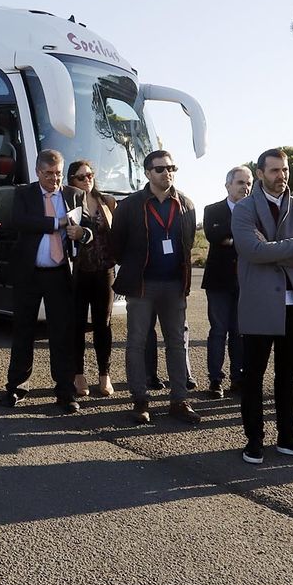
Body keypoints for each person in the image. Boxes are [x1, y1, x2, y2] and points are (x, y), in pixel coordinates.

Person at [233, 148, 293, 464]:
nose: (281, 176)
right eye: (274, 170)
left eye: (284, 170)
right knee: (254, 376)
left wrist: (272, 248)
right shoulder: (244, 210)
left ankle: (288, 438)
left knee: (289, 376)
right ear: (259, 173)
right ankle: (254, 440)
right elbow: (251, 250)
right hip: (260, 303)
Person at [110, 150, 201, 425]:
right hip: (142, 286)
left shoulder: (186, 203)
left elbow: (188, 243)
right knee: (137, 343)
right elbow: (117, 245)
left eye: (171, 167)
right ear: (148, 172)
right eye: (160, 169)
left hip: (174, 285)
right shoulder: (130, 205)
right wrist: (136, 265)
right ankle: (140, 401)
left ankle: (179, 400)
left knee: (176, 343)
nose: (167, 173)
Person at [1, 148, 93, 414]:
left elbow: (88, 228)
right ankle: (17, 386)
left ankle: (65, 391)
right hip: (29, 273)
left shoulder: (74, 195)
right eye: (49, 174)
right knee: (23, 331)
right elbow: (20, 221)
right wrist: (58, 222)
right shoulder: (24, 194)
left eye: (59, 173)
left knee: (62, 334)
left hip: (59, 273)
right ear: (38, 172)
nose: (55, 179)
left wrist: (81, 233)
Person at [201, 165, 252, 399]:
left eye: (249, 183)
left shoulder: (256, 211)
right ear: (228, 185)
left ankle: (238, 378)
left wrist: (233, 238)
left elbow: (257, 240)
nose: (246, 187)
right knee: (219, 331)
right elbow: (215, 236)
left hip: (247, 281)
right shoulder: (212, 210)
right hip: (219, 282)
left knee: (240, 332)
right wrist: (241, 237)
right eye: (241, 182)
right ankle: (215, 380)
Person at [67, 159, 116, 399]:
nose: (87, 179)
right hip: (78, 271)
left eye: (90, 175)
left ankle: (104, 375)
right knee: (76, 323)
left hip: (104, 270)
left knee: (103, 324)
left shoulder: (107, 201)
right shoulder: (69, 201)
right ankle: (78, 374)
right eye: (81, 177)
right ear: (71, 181)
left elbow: (116, 233)